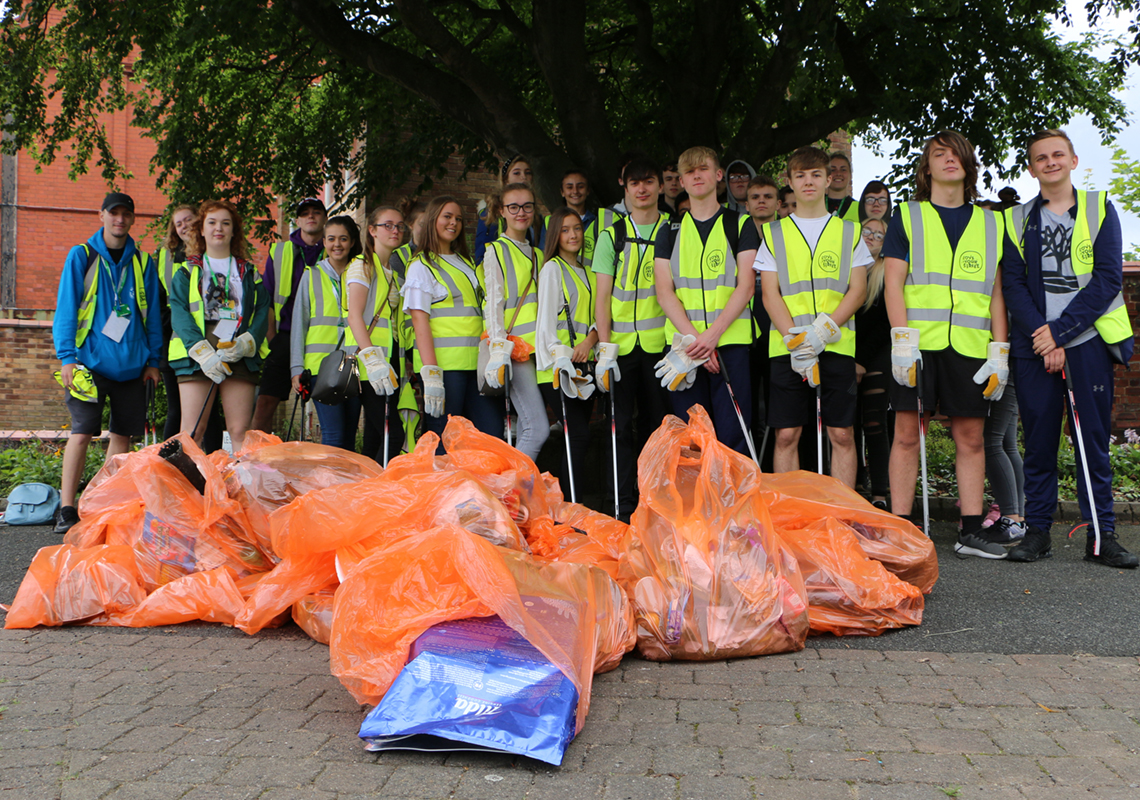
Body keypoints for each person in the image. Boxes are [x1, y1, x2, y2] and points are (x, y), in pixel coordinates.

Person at [1002, 129, 1137, 567]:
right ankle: (1037, 533)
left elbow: (1107, 280)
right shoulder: (1016, 218)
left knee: (1091, 444)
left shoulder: (1100, 209)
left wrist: (1061, 332)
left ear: (1074, 161)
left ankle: (1103, 538)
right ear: (1031, 167)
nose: (1050, 162)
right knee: (1038, 445)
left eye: (1058, 154)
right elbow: (1014, 284)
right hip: (1035, 347)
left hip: (1088, 345)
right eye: (1041, 157)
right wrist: (1045, 336)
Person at [883, 130, 1010, 558]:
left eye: (956, 154)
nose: (948, 161)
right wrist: (901, 340)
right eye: (939, 154)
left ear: (968, 165)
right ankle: (901, 527)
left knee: (971, 438)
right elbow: (893, 283)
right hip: (918, 344)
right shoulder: (907, 215)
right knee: (905, 434)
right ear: (928, 167)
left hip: (971, 347)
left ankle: (970, 531)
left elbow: (996, 292)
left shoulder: (994, 222)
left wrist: (1001, 350)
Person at [757, 146, 870, 487]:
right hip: (788, 348)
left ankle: (844, 515)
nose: (808, 182)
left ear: (828, 180)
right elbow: (769, 293)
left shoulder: (849, 231)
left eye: (816, 175)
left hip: (835, 345)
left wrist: (823, 331)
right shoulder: (774, 233)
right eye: (801, 175)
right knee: (787, 434)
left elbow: (858, 289)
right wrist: (797, 340)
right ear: (789, 181)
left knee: (842, 434)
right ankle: (792, 516)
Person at [51, 192, 162, 534]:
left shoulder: (143, 264)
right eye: (113, 213)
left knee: (122, 438)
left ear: (132, 220)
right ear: (101, 216)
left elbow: (153, 316)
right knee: (82, 433)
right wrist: (67, 357)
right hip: (89, 363)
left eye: (126, 214)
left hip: (132, 366)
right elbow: (66, 308)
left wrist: (154, 361)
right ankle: (67, 508)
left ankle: (109, 505)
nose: (119, 219)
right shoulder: (81, 257)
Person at [654, 146, 759, 455]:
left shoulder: (740, 224)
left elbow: (746, 286)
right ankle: (695, 504)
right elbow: (664, 291)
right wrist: (697, 343)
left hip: (730, 344)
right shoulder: (669, 232)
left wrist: (711, 339)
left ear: (717, 176)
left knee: (733, 435)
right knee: (690, 440)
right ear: (682, 182)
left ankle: (734, 503)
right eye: (689, 172)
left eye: (702, 169)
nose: (696, 175)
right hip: (685, 349)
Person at [593, 156, 671, 520]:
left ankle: (655, 505)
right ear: (624, 188)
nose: (642, 189)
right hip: (622, 349)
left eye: (649, 181)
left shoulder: (673, 230)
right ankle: (619, 508)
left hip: (661, 349)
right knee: (619, 429)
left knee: (658, 430)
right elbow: (602, 297)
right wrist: (605, 349)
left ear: (659, 186)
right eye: (635, 183)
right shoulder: (611, 235)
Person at [169, 200, 269, 453]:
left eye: (226, 223)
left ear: (234, 230)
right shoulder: (186, 272)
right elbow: (179, 312)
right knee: (192, 431)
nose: (219, 229)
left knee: (239, 431)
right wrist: (201, 351)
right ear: (201, 229)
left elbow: (261, 309)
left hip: (238, 349)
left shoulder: (249, 272)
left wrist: (248, 341)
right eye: (211, 223)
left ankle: (240, 490)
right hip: (197, 353)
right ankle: (189, 491)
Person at [404, 197, 502, 443]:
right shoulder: (421, 265)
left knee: (490, 436)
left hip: (476, 366)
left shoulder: (466, 263)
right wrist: (432, 374)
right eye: (447, 216)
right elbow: (419, 321)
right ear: (432, 220)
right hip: (446, 370)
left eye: (458, 218)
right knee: (444, 442)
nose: (454, 223)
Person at [481, 183, 551, 461]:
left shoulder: (538, 254)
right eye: (514, 207)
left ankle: (519, 497)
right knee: (538, 429)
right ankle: (510, 492)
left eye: (527, 206)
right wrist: (498, 349)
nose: (521, 212)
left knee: (526, 427)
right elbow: (493, 302)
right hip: (514, 350)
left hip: (537, 350)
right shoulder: (495, 251)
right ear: (502, 211)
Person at [536, 207, 598, 498]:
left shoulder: (587, 271)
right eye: (565, 230)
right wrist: (557, 355)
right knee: (579, 435)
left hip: (584, 365)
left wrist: (589, 342)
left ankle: (565, 505)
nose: (573, 235)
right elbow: (546, 321)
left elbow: (599, 317)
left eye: (577, 228)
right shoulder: (552, 268)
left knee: (577, 437)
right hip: (558, 368)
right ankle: (570, 506)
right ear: (555, 236)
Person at [252, 197, 326, 433]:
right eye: (305, 213)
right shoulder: (282, 250)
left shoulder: (333, 247)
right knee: (266, 402)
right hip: (284, 336)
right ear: (297, 220)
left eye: (316, 212)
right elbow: (267, 298)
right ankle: (253, 458)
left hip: (320, 336)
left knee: (330, 401)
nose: (311, 216)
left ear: (325, 218)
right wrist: (272, 339)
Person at [290, 215, 363, 450]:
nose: (337, 244)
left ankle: (345, 486)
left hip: (353, 366)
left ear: (352, 242)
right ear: (323, 242)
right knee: (333, 435)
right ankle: (331, 486)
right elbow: (299, 324)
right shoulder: (311, 275)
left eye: (343, 239)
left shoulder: (361, 274)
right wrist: (296, 369)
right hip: (320, 369)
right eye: (331, 239)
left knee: (349, 437)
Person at [156, 203, 222, 448]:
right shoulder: (165, 256)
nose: (184, 226)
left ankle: (213, 466)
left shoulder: (213, 254)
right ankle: (167, 465)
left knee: (210, 408)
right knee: (176, 409)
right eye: (178, 222)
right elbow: (158, 302)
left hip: (209, 336)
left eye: (188, 220)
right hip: (173, 338)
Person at [346, 206, 405, 464]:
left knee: (374, 436)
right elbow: (354, 315)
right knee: (392, 435)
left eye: (400, 226)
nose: (395, 230)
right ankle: (375, 490)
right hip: (369, 362)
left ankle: (364, 492)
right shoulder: (362, 266)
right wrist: (371, 358)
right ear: (372, 230)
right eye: (388, 225)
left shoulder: (389, 272)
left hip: (386, 360)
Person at [855, 217, 892, 508]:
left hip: (876, 356)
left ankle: (880, 493)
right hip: (845, 353)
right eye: (867, 231)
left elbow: (882, 325)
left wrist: (862, 362)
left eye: (879, 234)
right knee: (847, 425)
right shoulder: (847, 269)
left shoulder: (886, 272)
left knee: (875, 425)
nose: (872, 237)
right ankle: (854, 485)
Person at [475, 155, 545, 263]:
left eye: (528, 173)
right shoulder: (490, 212)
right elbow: (482, 256)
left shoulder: (536, 215)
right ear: (505, 178)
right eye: (516, 173)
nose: (523, 177)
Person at [826, 152, 860, 223]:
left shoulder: (860, 209)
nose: (838, 173)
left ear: (850, 175)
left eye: (843, 169)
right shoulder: (814, 205)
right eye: (833, 170)